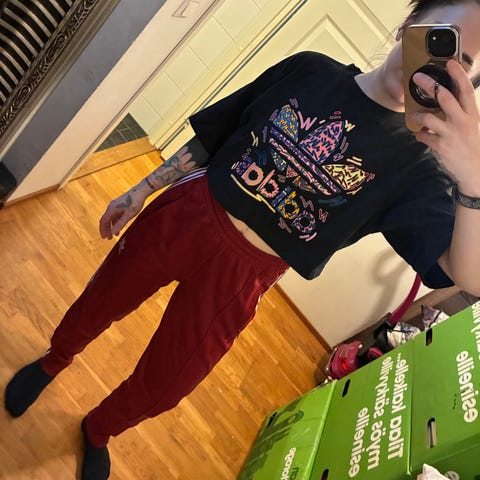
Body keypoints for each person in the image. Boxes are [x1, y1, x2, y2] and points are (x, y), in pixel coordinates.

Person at [5, 0, 480, 478]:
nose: (439, 69)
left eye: (462, 65)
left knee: (169, 381)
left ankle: (99, 428)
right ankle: (54, 360)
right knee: (102, 299)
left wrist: (473, 178)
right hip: (191, 213)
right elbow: (216, 133)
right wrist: (139, 190)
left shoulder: (420, 168)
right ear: (409, 25)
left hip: (245, 274)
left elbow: (468, 276)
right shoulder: (311, 70)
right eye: (441, 39)